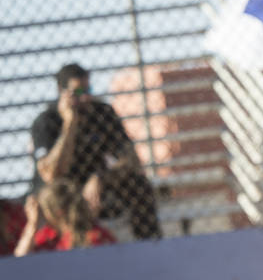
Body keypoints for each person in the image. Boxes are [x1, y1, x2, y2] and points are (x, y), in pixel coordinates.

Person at [31, 63, 161, 241]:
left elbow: (131, 159)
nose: (84, 97)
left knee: (139, 184)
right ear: (62, 91)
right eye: (77, 92)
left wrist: (101, 176)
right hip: (63, 192)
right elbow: (50, 174)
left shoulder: (102, 113)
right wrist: (70, 123)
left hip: (97, 186)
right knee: (54, 195)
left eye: (87, 89)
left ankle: (149, 247)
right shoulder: (46, 122)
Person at [14, 178, 117, 256]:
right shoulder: (49, 235)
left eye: (44, 211)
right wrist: (32, 224)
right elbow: (18, 261)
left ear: (59, 212)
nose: (43, 216)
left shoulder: (93, 235)